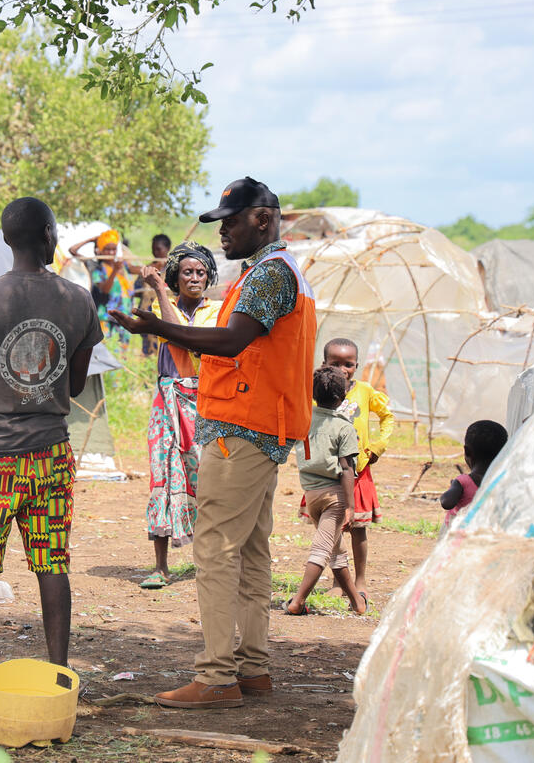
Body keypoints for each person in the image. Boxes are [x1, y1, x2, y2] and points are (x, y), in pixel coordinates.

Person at [109, 176, 317, 709]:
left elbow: (229, 342)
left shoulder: (271, 274)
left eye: (231, 220)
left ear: (263, 219)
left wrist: (157, 327)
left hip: (242, 432)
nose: (222, 231)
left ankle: (217, 675)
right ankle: (251, 669)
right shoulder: (269, 274)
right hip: (256, 428)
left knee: (216, 548)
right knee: (249, 550)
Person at [0, 196, 103, 699]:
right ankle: (60, 677)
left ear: (7, 240)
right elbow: (75, 387)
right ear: (51, 236)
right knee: (52, 564)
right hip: (50, 453)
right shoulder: (77, 300)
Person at [139, 240, 221, 589]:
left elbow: (185, 340)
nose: (194, 278)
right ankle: (161, 566)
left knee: (207, 478)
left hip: (203, 401)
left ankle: (210, 562)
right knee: (163, 475)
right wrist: (160, 293)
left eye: (201, 272)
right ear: (175, 277)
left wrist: (157, 287)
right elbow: (169, 332)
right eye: (187, 272)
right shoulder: (161, 307)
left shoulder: (217, 312)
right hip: (167, 400)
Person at [309, 337, 394, 601]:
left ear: (356, 365)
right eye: (335, 363)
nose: (343, 369)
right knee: (333, 528)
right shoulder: (317, 393)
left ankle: (360, 580)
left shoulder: (365, 391)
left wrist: (377, 447)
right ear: (324, 364)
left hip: (357, 471)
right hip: (327, 472)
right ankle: (338, 582)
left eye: (348, 364)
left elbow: (387, 416)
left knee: (358, 528)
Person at [285, 366, 368, 616]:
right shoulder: (343, 427)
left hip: (311, 495)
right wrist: (351, 506)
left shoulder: (304, 419)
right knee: (323, 549)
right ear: (343, 398)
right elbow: (346, 468)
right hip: (334, 497)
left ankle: (357, 602)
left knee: (336, 551)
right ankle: (298, 601)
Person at [70, 228, 138, 344]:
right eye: (107, 249)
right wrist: (92, 239)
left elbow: (138, 270)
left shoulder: (123, 265)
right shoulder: (97, 268)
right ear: (100, 250)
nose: (111, 253)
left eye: (113, 249)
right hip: (106, 319)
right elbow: (105, 290)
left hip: (125, 320)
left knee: (121, 356)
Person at [440, 420, 508, 530]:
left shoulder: (463, 481)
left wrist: (453, 486)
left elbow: (446, 503)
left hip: (460, 541)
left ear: (467, 451)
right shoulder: (503, 481)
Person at [139, 234, 174, 356]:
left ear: (167, 248)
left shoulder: (172, 270)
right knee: (149, 347)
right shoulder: (148, 269)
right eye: (153, 249)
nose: (155, 253)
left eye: (159, 249)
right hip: (148, 311)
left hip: (165, 313)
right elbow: (137, 290)